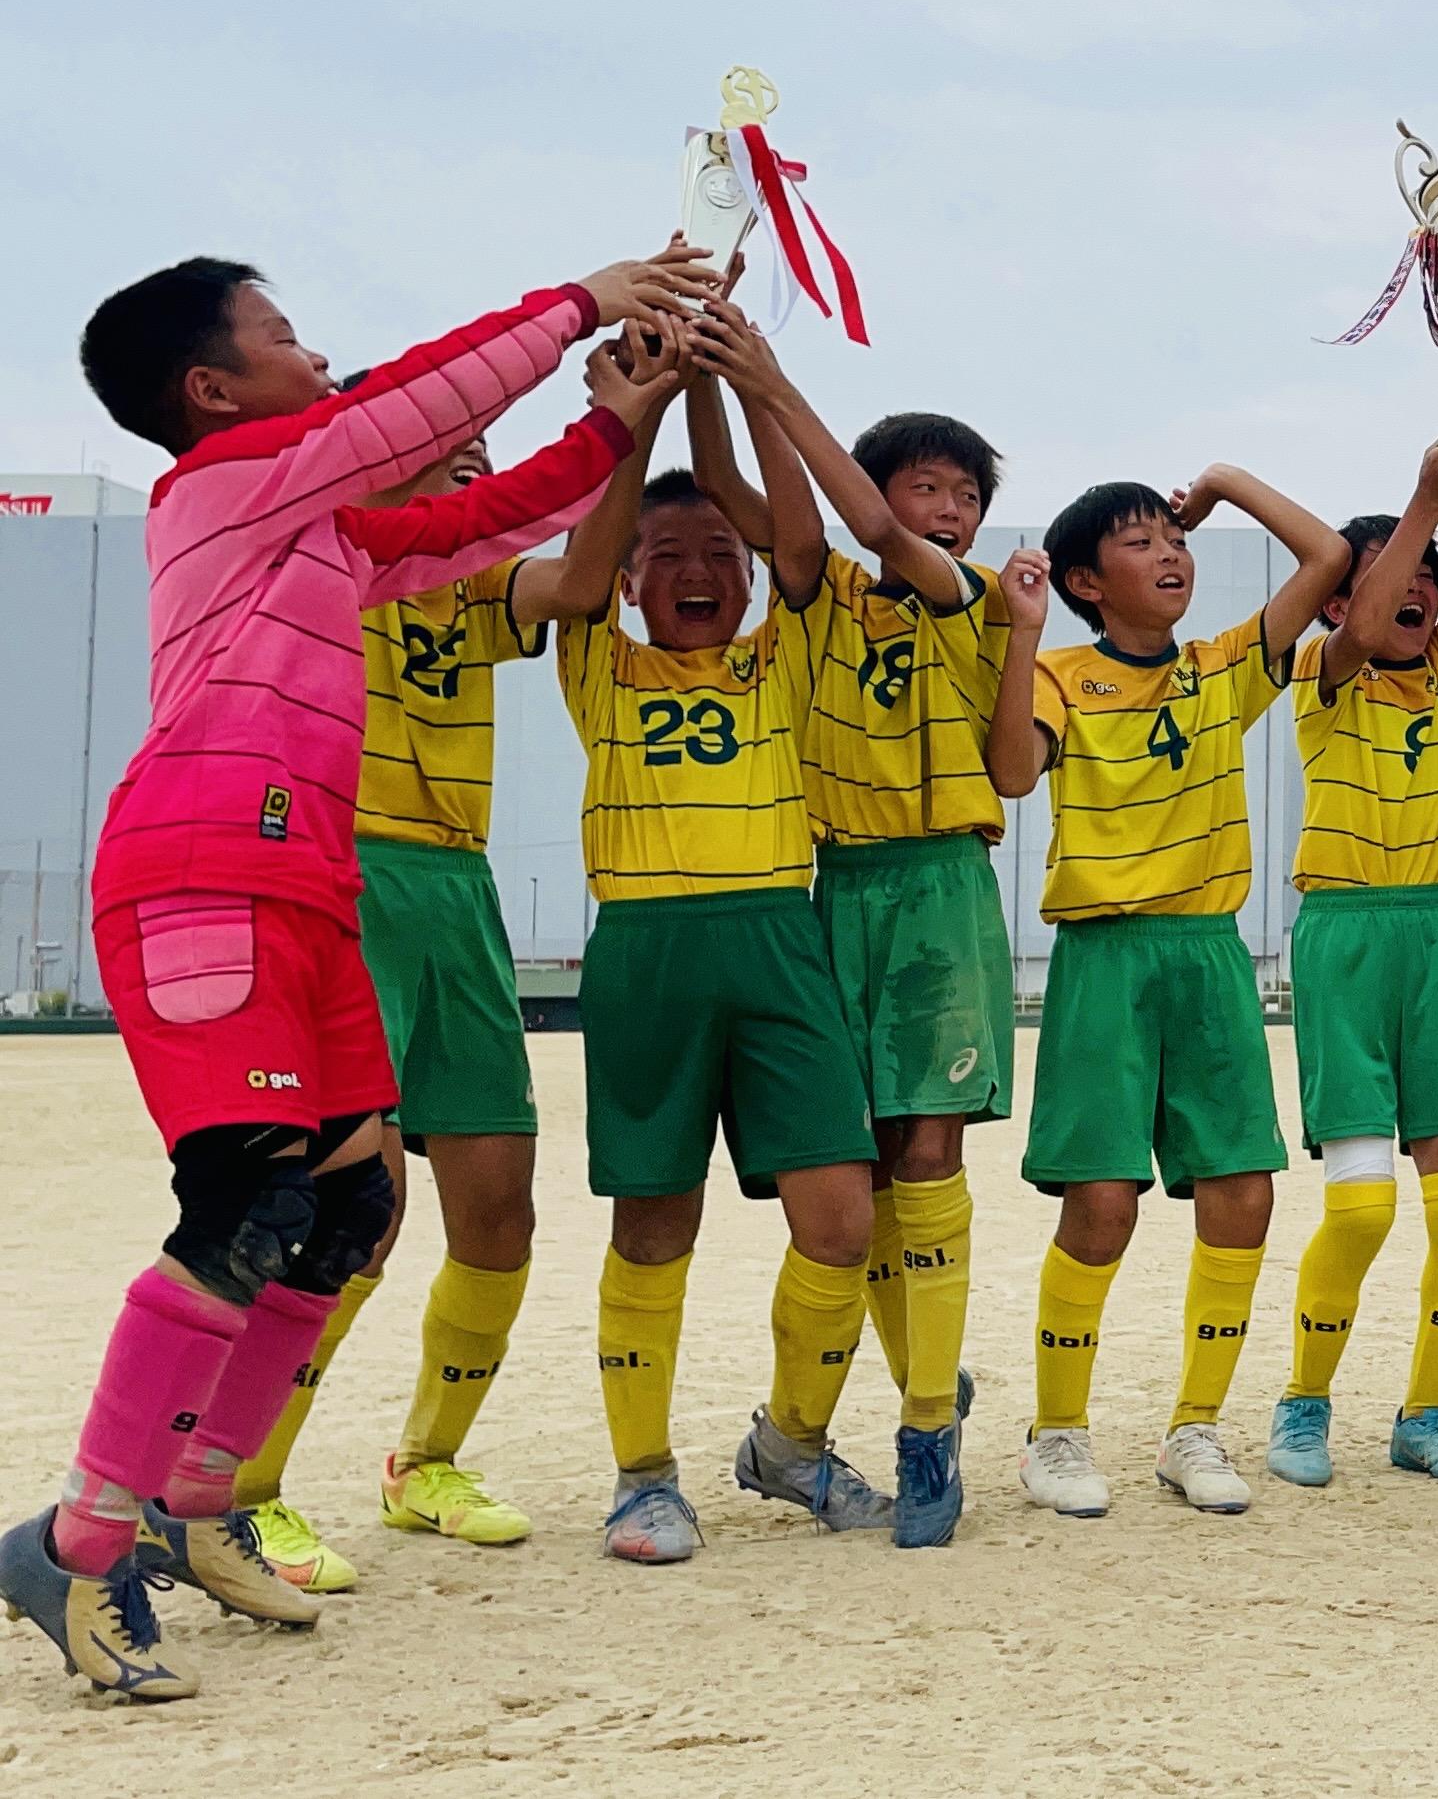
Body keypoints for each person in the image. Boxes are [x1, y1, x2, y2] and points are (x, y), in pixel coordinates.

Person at [7, 247, 708, 1700]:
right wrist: (583, 298)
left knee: (347, 1209)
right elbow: (394, 411)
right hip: (204, 872)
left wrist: (617, 423)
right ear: (212, 389)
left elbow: (494, 511)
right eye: (286, 339)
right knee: (246, 1201)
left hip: (314, 892)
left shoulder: (325, 539)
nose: (319, 358)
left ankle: (200, 1512)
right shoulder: (222, 487)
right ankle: (82, 1544)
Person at [224, 399, 673, 1594]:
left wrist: (638, 413)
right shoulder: (302, 551)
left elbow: (581, 581)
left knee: (498, 1210)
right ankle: (242, 1489)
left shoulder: (467, 584)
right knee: (352, 1210)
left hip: (454, 888)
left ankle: (423, 1461)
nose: (472, 441)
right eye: (446, 429)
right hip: (340, 873)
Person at [681, 308, 1009, 1547]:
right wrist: (716, 376)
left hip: (939, 893)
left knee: (930, 1153)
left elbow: (865, 527)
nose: (949, 509)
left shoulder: (967, 597)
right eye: (927, 486)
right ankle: (839, 1415)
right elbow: (745, 491)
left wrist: (770, 373)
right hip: (837, 893)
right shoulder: (812, 595)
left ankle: (928, 1424)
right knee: (858, 1173)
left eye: (966, 494)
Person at [554, 449, 891, 1567]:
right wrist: (629, 419)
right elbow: (587, 557)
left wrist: (739, 384)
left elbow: (800, 546)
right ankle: (642, 1480)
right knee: (655, 1222)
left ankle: (791, 1445)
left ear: (746, 579)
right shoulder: (599, 664)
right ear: (632, 581)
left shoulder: (781, 658)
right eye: (663, 558)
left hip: (778, 939)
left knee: (842, 1214)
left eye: (717, 555)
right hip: (647, 949)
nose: (693, 574)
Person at [987, 472, 1347, 1517]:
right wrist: (1019, 635)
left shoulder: (1220, 667)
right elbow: (1011, 775)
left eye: (1172, 540)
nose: (1170, 555)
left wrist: (1227, 486)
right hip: (1104, 956)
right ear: (1089, 584)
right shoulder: (1058, 673)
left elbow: (1326, 560)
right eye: (1140, 546)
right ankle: (1055, 1435)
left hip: (1208, 954)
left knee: (1244, 1193)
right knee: (1101, 1205)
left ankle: (1194, 1428)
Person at [1265, 442, 1438, 1489]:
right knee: (1363, 1205)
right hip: (1347, 936)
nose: (1412, 589)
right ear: (1336, 604)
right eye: (1384, 575)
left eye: (1425, 576)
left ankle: (1426, 1413)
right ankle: (1303, 1403)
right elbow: (1368, 618)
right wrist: (1422, 504)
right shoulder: (1319, 679)